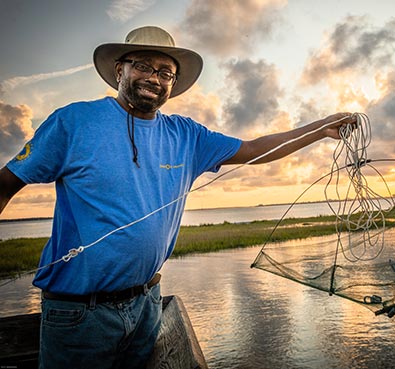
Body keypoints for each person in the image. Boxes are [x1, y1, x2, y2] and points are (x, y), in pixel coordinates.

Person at [0, 26, 356, 368]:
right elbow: (6, 184)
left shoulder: (186, 134)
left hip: (147, 304)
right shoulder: (74, 122)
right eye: (142, 66)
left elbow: (252, 149)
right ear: (119, 69)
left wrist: (320, 128)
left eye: (165, 72)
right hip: (80, 314)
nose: (154, 77)